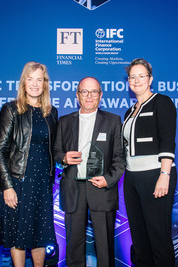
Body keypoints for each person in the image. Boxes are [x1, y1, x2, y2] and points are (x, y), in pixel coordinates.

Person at [54, 77, 125, 267]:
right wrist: (63, 158)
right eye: (84, 91)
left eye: (94, 92)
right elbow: (55, 152)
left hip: (101, 188)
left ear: (100, 95)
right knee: (74, 246)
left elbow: (120, 157)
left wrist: (108, 180)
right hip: (73, 189)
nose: (89, 96)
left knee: (104, 247)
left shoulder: (113, 121)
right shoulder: (64, 121)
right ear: (77, 95)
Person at [0, 62, 58, 267]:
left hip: (42, 183)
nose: (34, 84)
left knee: (40, 233)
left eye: (39, 79)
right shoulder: (11, 109)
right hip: (18, 181)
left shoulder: (51, 112)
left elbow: (54, 150)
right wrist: (7, 186)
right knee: (18, 234)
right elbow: (0, 150)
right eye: (30, 79)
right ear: (23, 83)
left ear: (45, 84)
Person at [122, 58, 177, 267]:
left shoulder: (161, 102)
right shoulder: (129, 111)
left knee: (158, 237)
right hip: (132, 178)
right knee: (139, 239)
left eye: (141, 76)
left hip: (156, 175)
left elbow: (167, 140)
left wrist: (164, 175)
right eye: (132, 77)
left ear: (150, 79)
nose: (136, 80)